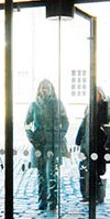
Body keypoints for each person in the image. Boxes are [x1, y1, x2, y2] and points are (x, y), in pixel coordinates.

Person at [25, 79, 69, 210]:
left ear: (51, 89)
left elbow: (65, 121)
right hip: (39, 143)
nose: (45, 89)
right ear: (39, 89)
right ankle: (42, 200)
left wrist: (60, 136)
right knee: (41, 173)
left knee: (52, 172)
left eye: (47, 87)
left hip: (53, 143)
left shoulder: (57, 104)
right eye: (42, 87)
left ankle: (53, 201)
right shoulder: (34, 105)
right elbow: (27, 123)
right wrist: (32, 138)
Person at [75, 87, 110, 203]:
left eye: (96, 94)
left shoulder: (107, 107)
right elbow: (84, 124)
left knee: (98, 171)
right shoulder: (89, 107)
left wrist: (107, 144)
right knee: (84, 169)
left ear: (101, 95)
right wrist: (78, 140)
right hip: (87, 144)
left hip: (99, 144)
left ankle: (98, 195)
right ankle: (86, 194)